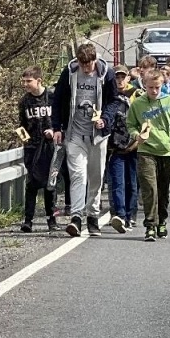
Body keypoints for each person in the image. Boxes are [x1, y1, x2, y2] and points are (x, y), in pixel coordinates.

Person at [51, 41, 120, 237]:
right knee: (78, 176)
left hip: (98, 136)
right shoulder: (70, 72)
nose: (86, 69)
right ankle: (76, 217)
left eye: (88, 65)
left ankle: (93, 217)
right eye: (82, 65)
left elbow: (114, 101)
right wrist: (57, 127)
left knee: (95, 178)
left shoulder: (107, 74)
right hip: (75, 134)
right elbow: (58, 100)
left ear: (95, 60)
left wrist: (105, 120)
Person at [127, 68, 170, 241]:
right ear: (144, 85)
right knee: (149, 189)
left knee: (163, 190)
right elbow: (130, 124)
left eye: (157, 87)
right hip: (146, 151)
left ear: (162, 85)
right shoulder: (137, 104)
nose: (153, 91)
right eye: (150, 87)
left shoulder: (169, 101)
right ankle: (150, 225)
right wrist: (136, 135)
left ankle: (162, 221)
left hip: (166, 152)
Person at [16, 67, 58, 232]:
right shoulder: (24, 102)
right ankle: (28, 220)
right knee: (32, 184)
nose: (26, 84)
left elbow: (59, 121)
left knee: (50, 185)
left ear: (39, 80)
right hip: (33, 149)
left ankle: (52, 219)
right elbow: (20, 127)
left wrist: (53, 132)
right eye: (24, 81)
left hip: (50, 147)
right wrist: (27, 143)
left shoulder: (52, 98)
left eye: (29, 81)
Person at [104, 65, 139, 233]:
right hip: (115, 148)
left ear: (128, 78)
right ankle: (120, 215)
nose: (119, 80)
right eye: (116, 77)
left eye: (122, 77)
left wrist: (136, 142)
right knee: (117, 183)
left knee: (132, 184)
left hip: (134, 147)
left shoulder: (137, 96)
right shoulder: (108, 97)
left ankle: (131, 215)